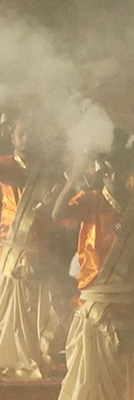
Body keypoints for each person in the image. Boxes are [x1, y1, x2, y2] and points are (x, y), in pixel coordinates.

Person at [49, 161, 134, 400]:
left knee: (123, 377)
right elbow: (57, 214)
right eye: (111, 170)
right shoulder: (91, 198)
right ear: (105, 172)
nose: (117, 176)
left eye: (121, 169)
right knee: (86, 378)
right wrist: (75, 178)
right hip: (95, 298)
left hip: (126, 302)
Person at [0, 121, 60, 380]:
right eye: (20, 133)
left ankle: (33, 359)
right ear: (12, 137)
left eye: (30, 133)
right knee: (9, 312)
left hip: (38, 249)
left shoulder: (47, 172)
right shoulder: (4, 166)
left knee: (35, 311)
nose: (25, 138)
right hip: (9, 248)